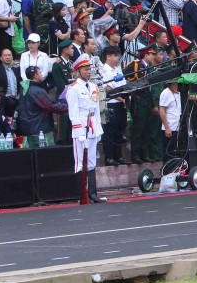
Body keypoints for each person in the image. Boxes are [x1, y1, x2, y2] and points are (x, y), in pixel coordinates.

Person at [66, 54, 106, 202]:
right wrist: (79, 132)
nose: (89, 72)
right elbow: (73, 114)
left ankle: (92, 194)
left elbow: (95, 110)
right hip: (81, 128)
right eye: (85, 69)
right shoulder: (73, 89)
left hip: (92, 127)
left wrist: (98, 130)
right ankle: (80, 195)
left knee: (91, 162)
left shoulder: (93, 87)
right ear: (78, 71)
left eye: (89, 69)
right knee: (79, 163)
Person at [17, 64, 65, 148]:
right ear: (35, 76)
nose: (42, 74)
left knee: (30, 158)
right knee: (44, 157)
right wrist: (69, 107)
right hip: (40, 131)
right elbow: (51, 106)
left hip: (27, 130)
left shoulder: (24, 89)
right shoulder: (37, 91)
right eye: (40, 73)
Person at [98, 46, 129, 164]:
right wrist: (121, 98)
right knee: (110, 131)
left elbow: (124, 85)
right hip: (111, 103)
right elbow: (108, 87)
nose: (117, 58)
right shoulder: (103, 70)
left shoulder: (118, 69)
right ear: (108, 57)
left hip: (121, 103)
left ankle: (118, 156)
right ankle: (109, 157)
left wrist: (125, 99)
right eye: (115, 56)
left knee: (120, 130)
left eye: (117, 56)